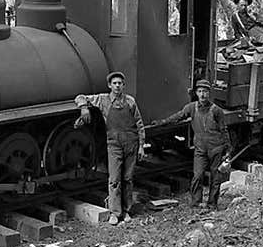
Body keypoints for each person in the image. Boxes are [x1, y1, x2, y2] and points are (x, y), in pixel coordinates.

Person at [74, 72, 146, 226]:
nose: (117, 86)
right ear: (110, 85)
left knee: (127, 179)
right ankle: (115, 213)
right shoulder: (103, 100)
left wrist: (141, 146)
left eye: (120, 83)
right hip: (114, 144)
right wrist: (84, 108)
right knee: (114, 180)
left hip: (131, 143)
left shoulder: (130, 101)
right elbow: (80, 97)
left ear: (123, 85)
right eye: (114, 83)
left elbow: (139, 124)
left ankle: (126, 211)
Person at [154, 79, 231, 210]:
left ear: (209, 93)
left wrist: (228, 150)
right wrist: (162, 122)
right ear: (196, 93)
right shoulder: (191, 108)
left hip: (215, 149)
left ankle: (212, 204)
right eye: (200, 92)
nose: (202, 95)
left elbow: (224, 130)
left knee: (216, 178)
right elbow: (178, 116)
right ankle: (196, 203)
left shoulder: (216, 111)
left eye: (205, 92)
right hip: (200, 149)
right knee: (198, 175)